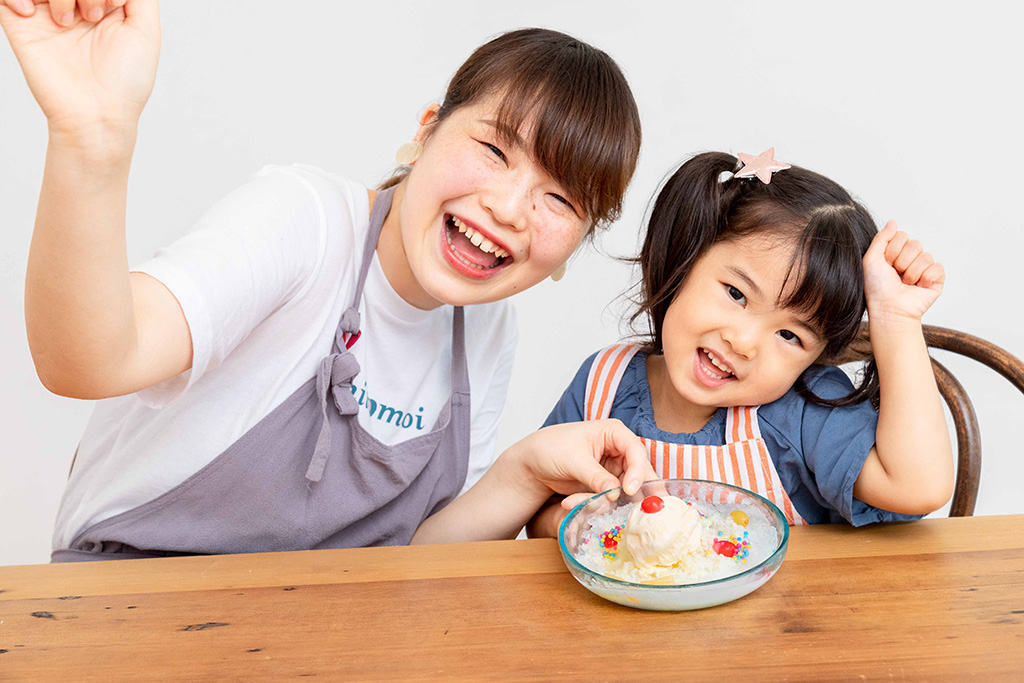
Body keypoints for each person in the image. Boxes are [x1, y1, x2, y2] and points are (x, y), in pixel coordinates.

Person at [0, 0, 652, 561]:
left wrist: (526, 468)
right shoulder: (305, 221)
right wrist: (93, 140)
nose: (509, 209)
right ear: (426, 132)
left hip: (313, 639)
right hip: (123, 610)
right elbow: (93, 359)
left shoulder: (485, 330)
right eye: (494, 150)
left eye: (559, 200)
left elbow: (408, 567)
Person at [532, 149, 953, 535]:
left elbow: (918, 487)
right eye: (736, 294)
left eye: (789, 335)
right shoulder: (602, 384)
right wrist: (573, 520)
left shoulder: (803, 410)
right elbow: (539, 509)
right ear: (687, 259)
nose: (744, 342)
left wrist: (895, 320)